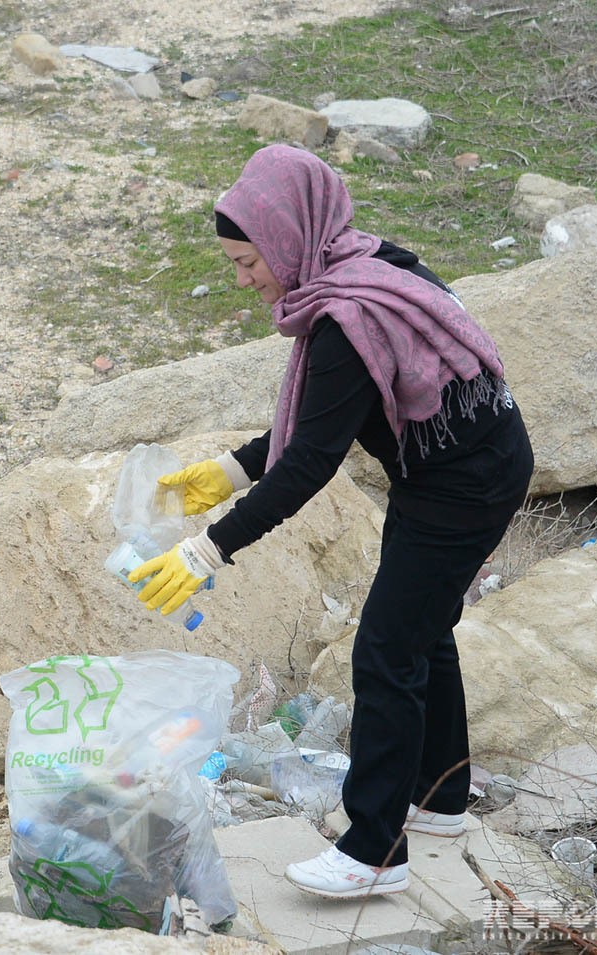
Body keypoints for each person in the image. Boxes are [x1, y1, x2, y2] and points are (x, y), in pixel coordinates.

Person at [129, 144, 533, 899]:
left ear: (287, 239)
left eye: (248, 262)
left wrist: (207, 549)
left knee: (384, 650)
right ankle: (440, 799)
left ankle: (374, 852)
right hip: (459, 466)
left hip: (462, 486)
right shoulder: (364, 268)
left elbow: (310, 462)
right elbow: (322, 419)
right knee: (421, 631)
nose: (243, 279)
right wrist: (233, 469)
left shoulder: (348, 318)